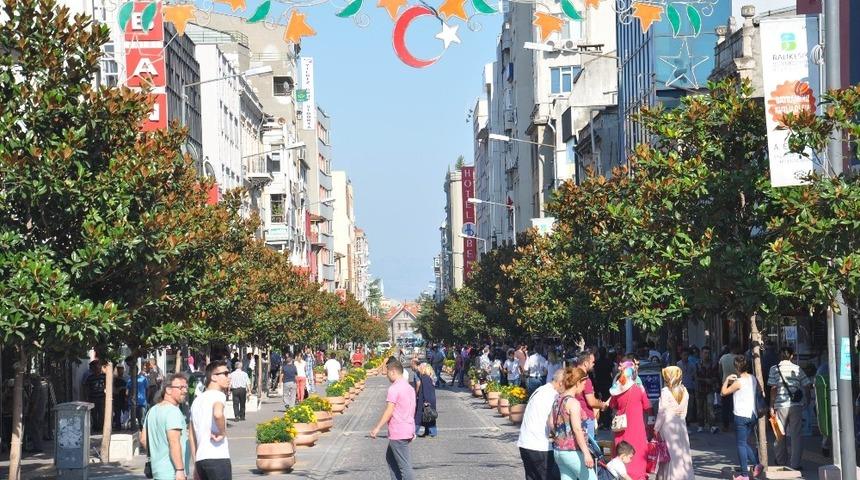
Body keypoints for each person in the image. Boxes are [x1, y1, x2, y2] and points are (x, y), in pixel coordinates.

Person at [767, 347, 812, 470]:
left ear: (780, 356)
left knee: (779, 434)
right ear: (791, 356)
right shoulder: (797, 368)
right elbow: (807, 385)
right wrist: (807, 400)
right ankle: (795, 464)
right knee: (796, 435)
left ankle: (781, 460)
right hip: (795, 405)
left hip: (780, 405)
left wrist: (771, 405)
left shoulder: (774, 369)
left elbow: (773, 388)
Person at [370, 360, 416, 480]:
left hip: (398, 431)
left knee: (404, 466)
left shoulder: (394, 388)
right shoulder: (409, 388)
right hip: (407, 428)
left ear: (393, 372)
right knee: (390, 459)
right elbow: (412, 409)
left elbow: (389, 411)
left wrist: (377, 427)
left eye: (387, 373)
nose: (386, 376)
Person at [548, 367, 595, 480]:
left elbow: (550, 423)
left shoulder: (557, 400)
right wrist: (586, 453)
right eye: (583, 383)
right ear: (577, 383)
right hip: (573, 451)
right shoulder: (573, 403)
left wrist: (560, 435)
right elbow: (577, 430)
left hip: (559, 451)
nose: (584, 387)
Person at [721, 355, 763, 480]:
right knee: (744, 443)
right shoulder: (753, 379)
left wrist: (727, 379)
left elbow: (723, 392)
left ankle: (745, 474)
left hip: (741, 415)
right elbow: (760, 391)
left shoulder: (738, 382)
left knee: (741, 444)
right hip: (752, 414)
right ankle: (756, 465)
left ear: (736, 367)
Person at [141, 373, 191, 480]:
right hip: (172, 472)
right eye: (181, 387)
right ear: (168, 390)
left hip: (157, 471)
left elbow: (143, 439)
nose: (185, 391)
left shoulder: (152, 411)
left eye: (186, 387)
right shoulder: (173, 411)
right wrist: (180, 470)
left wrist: (158, 453)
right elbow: (174, 442)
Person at [517, 368, 564, 480]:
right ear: (561, 383)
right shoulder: (553, 395)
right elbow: (552, 422)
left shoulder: (541, 390)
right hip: (539, 445)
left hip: (525, 443)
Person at [608, 361, 651, 480]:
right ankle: (638, 475)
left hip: (621, 427)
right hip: (637, 426)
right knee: (638, 450)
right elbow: (647, 406)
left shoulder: (617, 389)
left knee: (621, 449)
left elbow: (612, 405)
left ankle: (622, 474)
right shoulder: (638, 389)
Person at [190, 361, 232, 480]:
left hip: (201, 460)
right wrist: (222, 432)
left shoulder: (197, 401)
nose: (229, 377)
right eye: (225, 373)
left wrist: (195, 464)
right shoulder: (218, 395)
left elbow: (192, 435)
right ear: (213, 377)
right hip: (217, 457)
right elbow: (218, 414)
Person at [654, 366, 693, 480]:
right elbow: (684, 411)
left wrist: (656, 428)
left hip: (668, 426)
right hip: (681, 424)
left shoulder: (665, 391)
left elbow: (662, 412)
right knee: (682, 453)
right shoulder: (684, 390)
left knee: (669, 454)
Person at [575, 349, 608, 440]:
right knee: (589, 446)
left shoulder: (570, 376)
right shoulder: (585, 380)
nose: (594, 364)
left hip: (574, 415)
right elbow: (591, 401)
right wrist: (601, 405)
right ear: (585, 363)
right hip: (586, 417)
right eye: (592, 362)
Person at [695, 346, 719, 433]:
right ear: (701, 354)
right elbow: (695, 377)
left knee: (710, 407)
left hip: (710, 389)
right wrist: (705, 380)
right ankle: (700, 425)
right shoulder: (697, 364)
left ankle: (712, 425)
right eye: (705, 353)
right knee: (699, 408)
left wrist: (712, 380)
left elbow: (716, 376)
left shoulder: (713, 364)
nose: (706, 355)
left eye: (708, 353)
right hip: (700, 389)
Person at [719, 341, 741, 430]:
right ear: (736, 348)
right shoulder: (739, 358)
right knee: (736, 405)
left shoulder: (723, 358)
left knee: (725, 405)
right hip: (737, 383)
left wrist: (722, 379)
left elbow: (719, 370)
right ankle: (736, 423)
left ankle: (725, 424)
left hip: (726, 383)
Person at [414, 363, 438, 437]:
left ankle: (414, 431)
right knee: (429, 416)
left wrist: (426, 401)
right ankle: (429, 432)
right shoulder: (430, 377)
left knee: (419, 416)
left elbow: (426, 390)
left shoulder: (425, 378)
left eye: (420, 368)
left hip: (425, 400)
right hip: (431, 399)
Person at [83, 360, 107, 433]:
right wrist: (86, 397)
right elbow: (86, 388)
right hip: (92, 398)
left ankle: (101, 427)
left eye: (98, 367)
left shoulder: (104, 376)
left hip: (102, 397)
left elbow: (107, 385)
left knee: (101, 413)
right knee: (93, 414)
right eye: (95, 368)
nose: (97, 369)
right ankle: (96, 427)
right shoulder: (90, 378)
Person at [676, 348, 697, 426]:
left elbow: (695, 376)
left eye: (687, 355)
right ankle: (682, 421)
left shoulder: (692, 365)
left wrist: (695, 386)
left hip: (690, 387)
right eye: (684, 355)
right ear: (681, 355)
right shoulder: (678, 364)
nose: (686, 357)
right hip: (681, 388)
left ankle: (688, 421)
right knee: (682, 405)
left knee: (690, 405)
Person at [113, 364, 129, 430]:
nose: (120, 371)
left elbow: (128, 387)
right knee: (117, 412)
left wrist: (123, 388)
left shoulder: (126, 378)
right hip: (117, 397)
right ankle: (118, 426)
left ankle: (126, 425)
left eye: (121, 369)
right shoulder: (114, 379)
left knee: (126, 411)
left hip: (125, 397)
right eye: (118, 369)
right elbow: (113, 388)